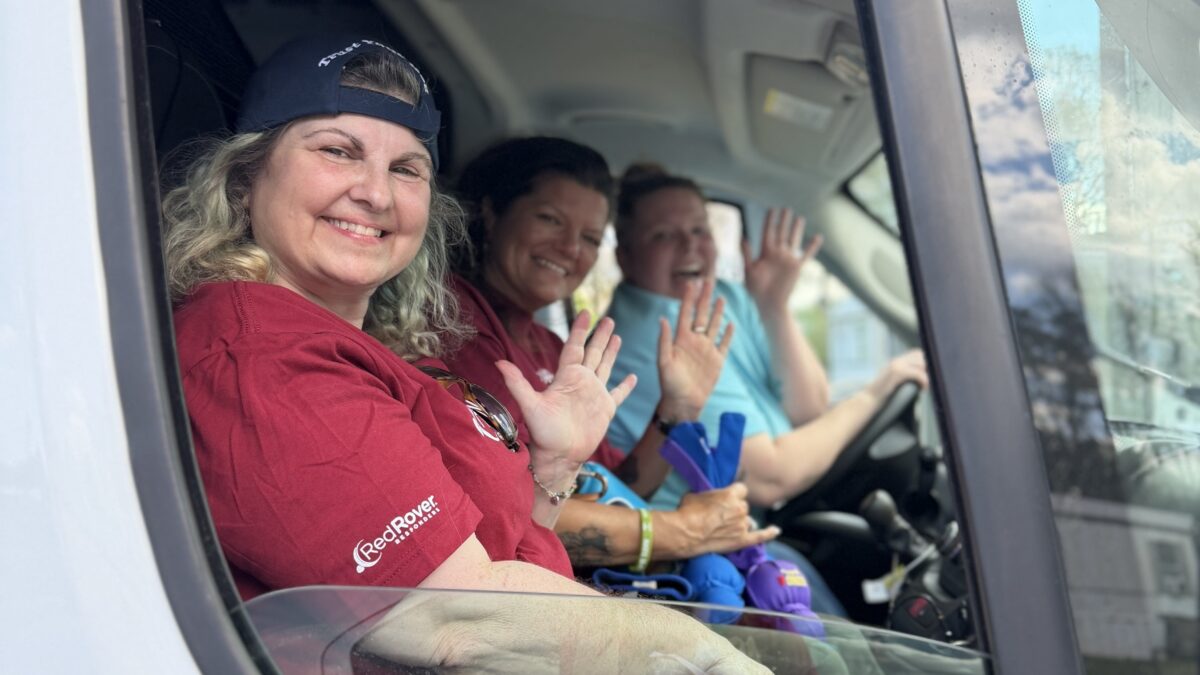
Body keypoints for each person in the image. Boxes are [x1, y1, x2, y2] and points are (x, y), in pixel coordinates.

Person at [164, 35, 764, 672]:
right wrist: (704, 654)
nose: (376, 193)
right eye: (338, 152)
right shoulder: (261, 353)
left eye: (407, 169)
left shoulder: (373, 350)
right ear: (245, 176)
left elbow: (482, 550)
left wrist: (555, 466)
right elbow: (462, 617)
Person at [445, 136, 780, 569]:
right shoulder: (452, 328)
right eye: (550, 220)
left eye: (589, 237)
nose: (570, 249)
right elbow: (503, 515)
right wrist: (684, 531)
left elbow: (613, 491)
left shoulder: (551, 346)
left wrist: (676, 408)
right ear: (492, 214)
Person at [605, 164, 929, 513]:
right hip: (692, 550)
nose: (690, 246)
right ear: (625, 257)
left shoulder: (724, 297)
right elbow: (772, 479)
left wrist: (774, 307)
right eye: (663, 236)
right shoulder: (645, 336)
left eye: (700, 229)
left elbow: (808, 410)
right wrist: (873, 395)